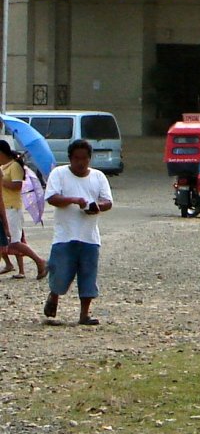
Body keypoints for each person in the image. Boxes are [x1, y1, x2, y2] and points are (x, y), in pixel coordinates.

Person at [43, 139, 113, 325]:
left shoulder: (98, 177)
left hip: (89, 236)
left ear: (90, 158)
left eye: (84, 158)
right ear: (70, 158)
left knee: (88, 275)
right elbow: (52, 198)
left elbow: (108, 201)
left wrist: (97, 206)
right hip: (65, 235)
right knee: (59, 271)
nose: (80, 163)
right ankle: (54, 296)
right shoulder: (59, 173)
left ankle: (84, 314)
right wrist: (74, 200)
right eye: (76, 158)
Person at [0, 139, 47, 280]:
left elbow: (17, 186)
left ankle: (39, 261)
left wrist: (1, 181)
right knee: (6, 241)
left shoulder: (15, 167)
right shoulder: (3, 166)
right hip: (5, 207)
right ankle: (10, 264)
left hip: (11, 207)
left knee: (15, 241)